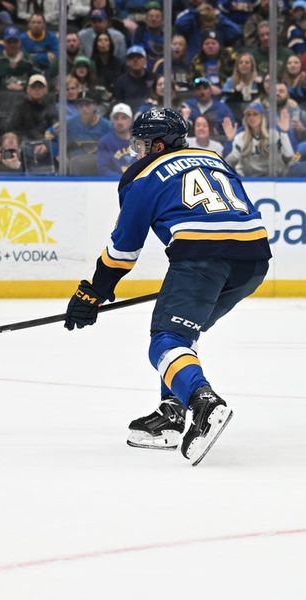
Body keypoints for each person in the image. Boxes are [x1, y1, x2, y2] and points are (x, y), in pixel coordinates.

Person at [64, 107, 271, 466]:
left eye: (142, 144)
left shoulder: (143, 175)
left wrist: (92, 292)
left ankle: (202, 402)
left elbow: (122, 251)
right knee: (184, 332)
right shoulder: (213, 158)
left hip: (202, 256)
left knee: (167, 340)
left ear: (159, 145)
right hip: (254, 257)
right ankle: (171, 413)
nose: (138, 152)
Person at [225, 101, 294, 176]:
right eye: (248, 115)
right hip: (248, 180)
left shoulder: (274, 135)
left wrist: (284, 132)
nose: (251, 118)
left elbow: (289, 156)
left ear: (262, 117)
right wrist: (230, 140)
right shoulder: (240, 137)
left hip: (274, 179)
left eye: (255, 114)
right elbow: (228, 162)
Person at [96, 102, 136, 176]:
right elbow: (103, 170)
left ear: (130, 121)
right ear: (112, 121)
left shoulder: (140, 141)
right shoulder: (105, 142)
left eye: (124, 118)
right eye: (116, 118)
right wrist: (122, 180)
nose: (119, 122)